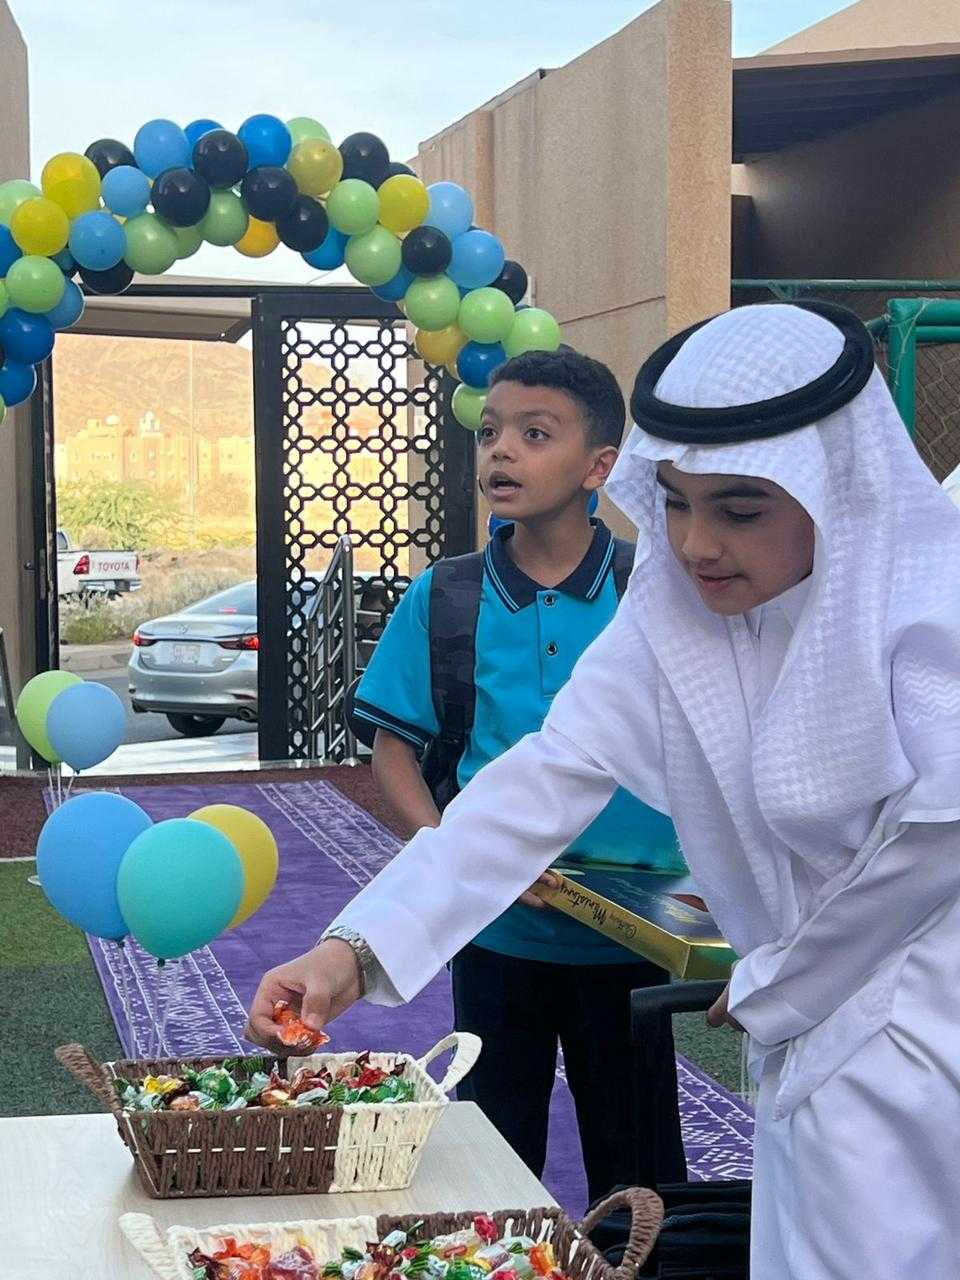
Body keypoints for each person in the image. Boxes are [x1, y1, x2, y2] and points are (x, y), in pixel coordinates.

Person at [248, 302, 960, 1279]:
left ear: (835, 491)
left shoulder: (925, 604)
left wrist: (790, 981)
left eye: (739, 509)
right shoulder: (675, 615)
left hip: (925, 1028)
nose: (696, 543)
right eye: (673, 503)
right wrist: (350, 951)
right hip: (801, 1034)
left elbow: (941, 826)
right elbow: (534, 783)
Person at [348, 348, 688, 1200]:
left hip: (637, 938)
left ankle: (637, 1258)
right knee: (494, 1162)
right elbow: (393, 747)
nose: (501, 450)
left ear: (600, 467)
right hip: (497, 937)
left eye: (536, 434)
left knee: (640, 1170)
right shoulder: (448, 594)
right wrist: (460, 860)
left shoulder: (657, 588)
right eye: (491, 431)